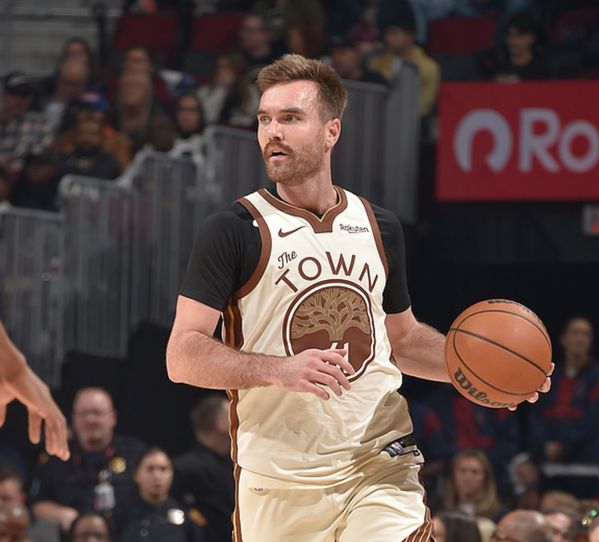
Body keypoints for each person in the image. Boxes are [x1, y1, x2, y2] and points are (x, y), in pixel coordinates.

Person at [166, 53, 550, 542]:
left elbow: (402, 341)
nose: (272, 132)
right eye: (264, 119)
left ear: (332, 131)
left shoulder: (379, 226)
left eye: (290, 118)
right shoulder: (234, 230)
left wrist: (482, 368)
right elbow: (182, 355)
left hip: (377, 460)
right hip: (279, 478)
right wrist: (279, 369)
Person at [31, 387, 147, 533]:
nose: (90, 420)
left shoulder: (136, 455)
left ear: (113, 417)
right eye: (84, 414)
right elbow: (37, 504)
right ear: (74, 418)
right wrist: (63, 515)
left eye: (97, 413)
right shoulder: (56, 456)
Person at [529, 315, 599, 498]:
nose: (580, 339)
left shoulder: (598, 377)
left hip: (585, 468)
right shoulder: (551, 375)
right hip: (551, 468)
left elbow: (595, 420)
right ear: (563, 339)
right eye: (575, 333)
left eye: (585, 334)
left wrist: (564, 447)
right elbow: (536, 413)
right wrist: (544, 445)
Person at [173, 395, 234, 542]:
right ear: (219, 424)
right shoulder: (185, 468)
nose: (237, 419)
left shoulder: (237, 464)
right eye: (231, 413)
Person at [112, 448, 203, 542]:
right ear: (136, 474)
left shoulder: (185, 516)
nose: (157, 476)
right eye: (150, 469)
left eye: (163, 469)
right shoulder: (121, 514)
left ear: (172, 474)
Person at [368, 11, 440, 116]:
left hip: (414, 121)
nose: (388, 38)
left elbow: (425, 104)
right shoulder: (377, 62)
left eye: (394, 34)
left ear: (410, 37)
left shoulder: (429, 66)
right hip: (379, 116)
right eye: (387, 34)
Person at [0, 72, 53, 175]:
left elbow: (45, 151)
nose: (19, 100)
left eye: (24, 96)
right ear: (4, 95)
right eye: (15, 95)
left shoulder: (42, 123)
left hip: (27, 176)